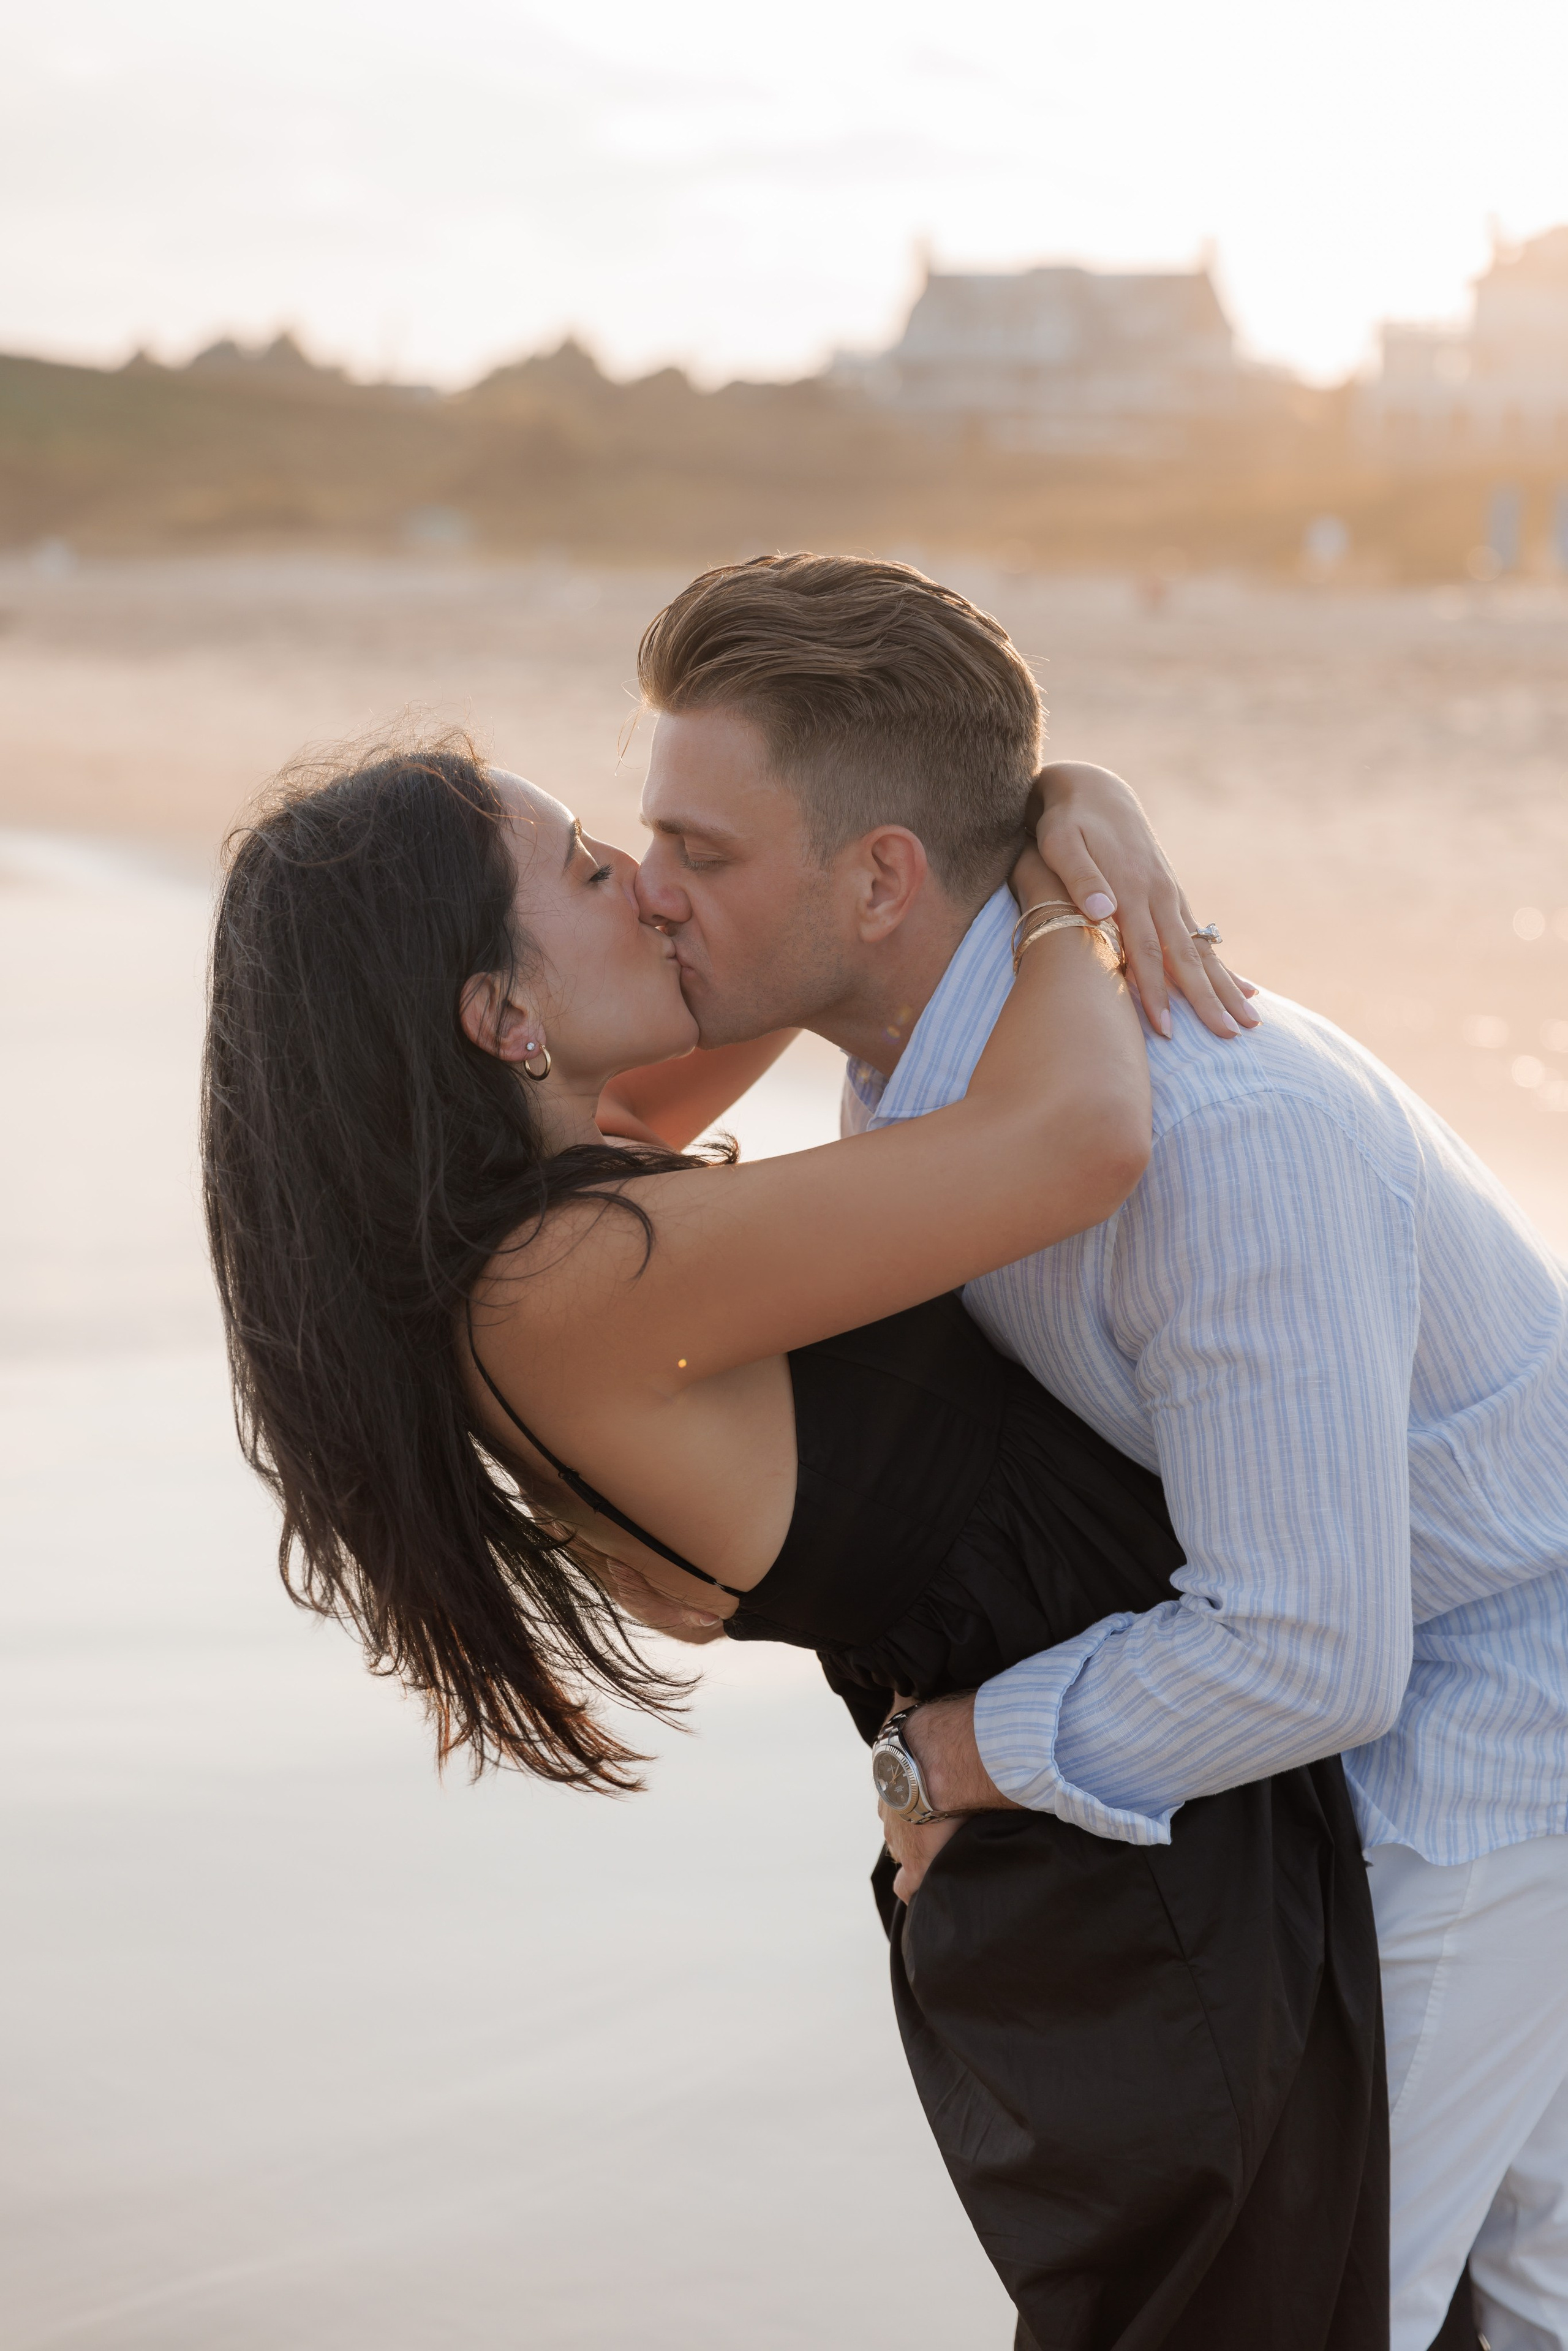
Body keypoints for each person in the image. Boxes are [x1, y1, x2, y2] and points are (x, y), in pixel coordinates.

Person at [203, 714, 1385, 2349]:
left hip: (1103, 1826)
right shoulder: (570, 1281)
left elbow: (760, 983)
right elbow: (1078, 1139)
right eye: (588, 871)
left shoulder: (559, 1215)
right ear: (501, 1017)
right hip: (1126, 1883)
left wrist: (1057, 794)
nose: (645, 886)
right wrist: (1058, 895)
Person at [619, 554, 1568, 2351]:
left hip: (1500, 1708)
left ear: (881, 880)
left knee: (1317, 2305)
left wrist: (942, 1760)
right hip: (1371, 1689)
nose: (652, 887)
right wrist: (1063, 804)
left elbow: (1312, 1647)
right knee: (1524, 2297)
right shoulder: (913, 1053)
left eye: (701, 851)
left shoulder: (1219, 1140)